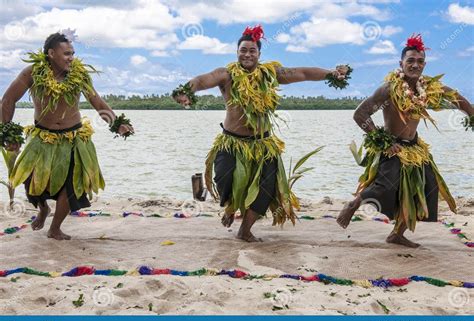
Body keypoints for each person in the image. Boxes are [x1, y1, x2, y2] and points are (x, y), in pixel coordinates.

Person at [173, 25, 351, 242]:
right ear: (237, 52)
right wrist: (185, 91)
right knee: (224, 180)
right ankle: (230, 208)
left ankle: (245, 229)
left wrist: (331, 73)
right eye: (243, 50)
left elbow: (302, 73)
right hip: (232, 143)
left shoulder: (270, 74)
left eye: (252, 51)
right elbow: (202, 81)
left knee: (266, 190)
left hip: (263, 144)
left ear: (259, 54)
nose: (247, 54)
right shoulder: (226, 75)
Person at [337, 34, 473, 248]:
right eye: (410, 60)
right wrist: (383, 142)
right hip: (392, 146)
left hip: (415, 148)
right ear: (401, 63)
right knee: (384, 186)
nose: (415, 65)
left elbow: (458, 99)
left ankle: (397, 234)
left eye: (419, 61)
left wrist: (472, 115)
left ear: (424, 65)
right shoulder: (389, 89)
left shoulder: (429, 87)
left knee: (428, 188)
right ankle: (354, 204)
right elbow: (360, 114)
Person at [1, 32, 134, 240]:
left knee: (71, 186)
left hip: (74, 139)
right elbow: (8, 99)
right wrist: (6, 132)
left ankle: (55, 228)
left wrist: (117, 124)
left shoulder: (79, 75)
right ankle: (43, 209)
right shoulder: (32, 73)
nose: (71, 57)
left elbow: (97, 102)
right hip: (42, 138)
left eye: (73, 53)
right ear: (51, 53)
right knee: (30, 181)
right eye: (66, 54)